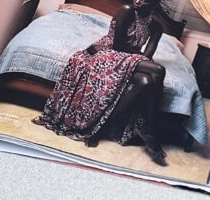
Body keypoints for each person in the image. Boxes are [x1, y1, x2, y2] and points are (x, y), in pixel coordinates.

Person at [32, 0, 169, 166]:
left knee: (146, 82)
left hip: (127, 59)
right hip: (106, 54)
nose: (138, 0)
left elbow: (147, 56)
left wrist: (139, 59)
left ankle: (104, 127)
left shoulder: (156, 27)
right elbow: (117, 46)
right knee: (159, 70)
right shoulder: (127, 11)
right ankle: (148, 129)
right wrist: (139, 58)